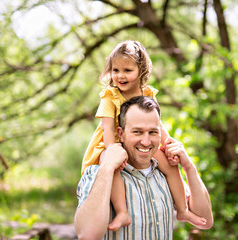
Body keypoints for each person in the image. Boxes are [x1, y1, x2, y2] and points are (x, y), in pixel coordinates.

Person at [81, 40, 205, 231]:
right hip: (112, 141)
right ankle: (122, 212)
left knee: (171, 165)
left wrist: (169, 144)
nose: (120, 76)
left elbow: (157, 125)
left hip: (141, 141)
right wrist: (113, 151)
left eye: (127, 70)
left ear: (141, 70)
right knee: (110, 164)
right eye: (115, 70)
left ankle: (182, 209)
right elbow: (107, 129)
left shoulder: (147, 93)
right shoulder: (109, 96)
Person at [74, 96, 213, 239]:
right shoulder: (99, 174)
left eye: (153, 132)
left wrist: (189, 166)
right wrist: (107, 167)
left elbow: (205, 221)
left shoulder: (166, 175)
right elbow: (87, 235)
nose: (146, 142)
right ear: (121, 134)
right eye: (137, 132)